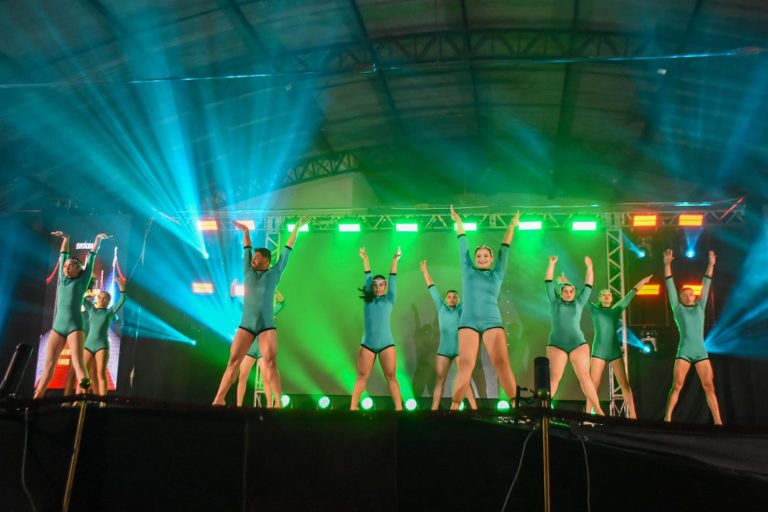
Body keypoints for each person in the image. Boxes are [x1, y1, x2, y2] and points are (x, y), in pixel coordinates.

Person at [212, 218, 307, 406]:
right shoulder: (248, 271)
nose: (253, 259)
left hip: (266, 327)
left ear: (267, 261)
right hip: (246, 326)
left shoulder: (274, 274)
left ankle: (278, 403)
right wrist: (246, 232)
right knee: (233, 362)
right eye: (253, 257)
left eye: (257, 258)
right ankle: (218, 399)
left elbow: (288, 249)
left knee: (270, 363)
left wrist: (296, 228)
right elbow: (246, 248)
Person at [449, 206, 520, 410]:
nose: (481, 258)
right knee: (465, 365)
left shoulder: (497, 273)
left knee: (501, 363)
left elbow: (505, 248)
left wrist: (511, 226)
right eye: (478, 256)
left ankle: (516, 406)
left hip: (492, 322)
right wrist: (459, 222)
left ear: (491, 258)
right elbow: (462, 243)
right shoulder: (467, 270)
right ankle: (454, 408)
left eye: (485, 256)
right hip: (468, 322)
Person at [34, 231, 111, 398]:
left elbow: (91, 258)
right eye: (65, 266)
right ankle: (37, 397)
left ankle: (84, 395)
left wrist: (97, 240)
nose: (66, 267)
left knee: (78, 363)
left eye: (71, 266)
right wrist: (66, 238)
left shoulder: (82, 280)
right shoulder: (62, 278)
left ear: (79, 270)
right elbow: (64, 254)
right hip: (58, 327)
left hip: (74, 327)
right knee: (49, 365)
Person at [663, 249, 722, 425]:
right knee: (677, 386)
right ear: (680, 297)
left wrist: (711, 264)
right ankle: (667, 418)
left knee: (709, 387)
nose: (688, 296)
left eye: (691, 294)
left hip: (701, 352)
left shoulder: (700, 307)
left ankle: (718, 422)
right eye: (685, 294)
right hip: (684, 352)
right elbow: (669, 284)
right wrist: (667, 264)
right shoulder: (677, 308)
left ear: (694, 296)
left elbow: (707, 283)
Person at [585, 275, 652, 418]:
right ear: (599, 298)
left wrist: (642, 282)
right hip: (599, 351)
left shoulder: (616, 310)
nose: (607, 296)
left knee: (624, 384)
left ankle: (633, 416)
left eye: (609, 294)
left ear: (612, 298)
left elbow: (630, 295)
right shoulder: (595, 309)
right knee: (593, 384)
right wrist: (567, 283)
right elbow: (581, 296)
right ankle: (587, 416)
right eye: (604, 294)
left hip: (614, 351)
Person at [544, 255, 604, 415]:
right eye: (565, 291)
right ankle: (544, 410)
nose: (569, 293)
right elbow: (548, 282)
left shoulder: (579, 302)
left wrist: (589, 268)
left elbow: (588, 285)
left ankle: (599, 411)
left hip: (578, 344)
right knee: (554, 379)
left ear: (574, 293)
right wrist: (551, 264)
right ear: (561, 292)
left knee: (585, 377)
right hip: (556, 345)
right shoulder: (554, 302)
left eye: (571, 291)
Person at [419, 260, 478, 410]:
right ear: (445, 299)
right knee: (440, 380)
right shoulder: (441, 307)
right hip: (444, 350)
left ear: (458, 300)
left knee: (465, 381)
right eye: (449, 296)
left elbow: (471, 292)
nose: (452, 298)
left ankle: (475, 409)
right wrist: (425, 271)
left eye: (454, 297)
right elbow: (431, 287)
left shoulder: (461, 308)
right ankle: (434, 410)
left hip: (459, 350)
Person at [350, 247, 403, 410]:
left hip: (387, 344)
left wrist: (394, 260)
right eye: (375, 284)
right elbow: (367, 275)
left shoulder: (390, 298)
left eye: (381, 284)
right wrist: (365, 258)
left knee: (391, 377)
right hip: (368, 344)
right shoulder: (368, 299)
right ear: (372, 286)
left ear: (385, 286)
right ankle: (352, 408)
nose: (378, 287)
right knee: (361, 376)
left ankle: (399, 409)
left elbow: (393, 277)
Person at [236, 290, 285, 407]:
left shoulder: (270, 313)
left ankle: (269, 405)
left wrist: (275, 292)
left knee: (265, 378)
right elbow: (239, 305)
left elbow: (283, 303)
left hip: (262, 349)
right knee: (242, 376)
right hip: (250, 348)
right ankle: (238, 405)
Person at [81, 276, 127, 396]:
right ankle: (81, 399)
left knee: (100, 374)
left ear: (108, 301)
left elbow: (123, 298)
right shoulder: (92, 309)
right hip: (88, 345)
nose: (102, 300)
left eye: (105, 298)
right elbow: (80, 297)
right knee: (84, 375)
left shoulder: (110, 312)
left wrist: (121, 285)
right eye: (100, 297)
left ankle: (102, 402)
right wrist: (88, 289)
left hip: (102, 346)